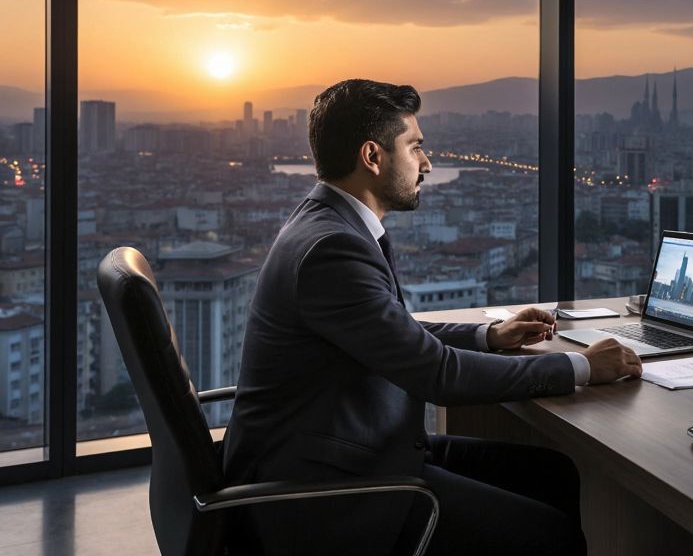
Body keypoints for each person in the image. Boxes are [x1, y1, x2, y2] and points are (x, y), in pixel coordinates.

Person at [223, 79, 643, 556]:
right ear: (372, 156)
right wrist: (584, 366)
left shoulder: (325, 223)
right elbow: (436, 374)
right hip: (323, 494)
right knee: (551, 536)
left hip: (348, 454)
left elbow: (393, 330)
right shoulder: (332, 249)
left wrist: (489, 336)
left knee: (552, 473)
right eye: (415, 146)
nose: (427, 163)